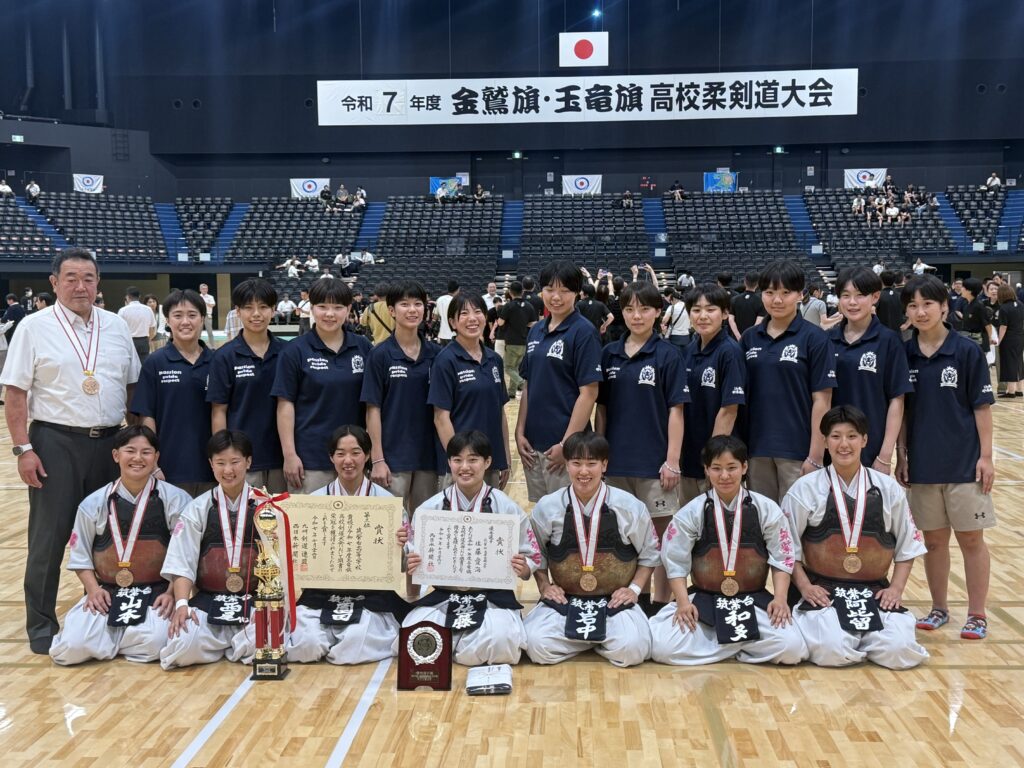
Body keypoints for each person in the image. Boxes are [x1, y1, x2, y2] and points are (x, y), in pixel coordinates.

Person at [0, 248, 141, 654]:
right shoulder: (33, 327)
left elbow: (132, 388)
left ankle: (107, 618)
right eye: (71, 278)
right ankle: (41, 626)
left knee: (111, 537)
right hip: (55, 442)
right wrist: (23, 449)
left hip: (111, 444)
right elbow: (15, 393)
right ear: (54, 282)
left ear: (98, 283)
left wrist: (136, 444)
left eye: (88, 278)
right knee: (49, 537)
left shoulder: (115, 326)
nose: (81, 286)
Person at [785, 406, 929, 669]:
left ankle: (864, 637)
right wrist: (805, 587)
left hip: (874, 590)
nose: (844, 444)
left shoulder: (888, 489)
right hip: (823, 591)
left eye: (852, 436)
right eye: (836, 436)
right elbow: (786, 549)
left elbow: (908, 546)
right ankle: (854, 638)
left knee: (900, 651)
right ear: (825, 442)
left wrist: (895, 589)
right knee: (832, 651)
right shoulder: (805, 489)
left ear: (864, 440)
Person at [895, 275, 995, 640]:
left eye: (927, 304)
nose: (920, 312)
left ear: (944, 307)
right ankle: (939, 608)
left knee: (971, 541)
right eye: (913, 305)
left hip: (965, 465)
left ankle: (977, 614)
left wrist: (986, 457)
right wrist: (902, 455)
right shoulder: (904, 354)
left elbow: (981, 407)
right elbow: (902, 411)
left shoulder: (966, 351)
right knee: (933, 542)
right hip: (923, 466)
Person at [650, 435, 806, 666]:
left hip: (752, 597)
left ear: (744, 467)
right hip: (705, 597)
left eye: (732, 467)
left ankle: (719, 645)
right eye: (716, 468)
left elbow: (782, 557)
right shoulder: (691, 512)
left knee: (792, 649)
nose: (724, 476)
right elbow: (675, 562)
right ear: (706, 470)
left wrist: (780, 599)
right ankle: (740, 646)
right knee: (662, 647)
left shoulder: (766, 509)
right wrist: (683, 603)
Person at [48, 426, 193, 665]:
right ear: (116, 455)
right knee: (70, 648)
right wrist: (93, 590)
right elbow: (80, 556)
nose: (138, 458)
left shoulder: (176, 500)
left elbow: (185, 555)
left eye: (146, 452)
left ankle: (109, 640)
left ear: (156, 457)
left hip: (156, 591)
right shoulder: (93, 503)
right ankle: (115, 637)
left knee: (155, 643)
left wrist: (171, 592)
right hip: (108, 592)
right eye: (130, 451)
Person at [404, 431, 540, 666]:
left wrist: (524, 567)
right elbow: (413, 559)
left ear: (487, 462)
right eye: (457, 460)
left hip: (492, 597)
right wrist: (412, 564)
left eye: (473, 459)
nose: (464, 467)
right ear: (449, 463)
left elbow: (532, 556)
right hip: (445, 595)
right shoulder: (429, 510)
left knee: (503, 641)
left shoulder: (506, 508)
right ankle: (467, 647)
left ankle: (456, 648)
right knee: (413, 633)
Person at [524, 432, 660, 667]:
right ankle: (599, 640)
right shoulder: (548, 507)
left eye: (591, 463)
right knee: (535, 645)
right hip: (566, 600)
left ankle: (584, 640)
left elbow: (650, 554)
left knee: (634, 649)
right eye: (576, 463)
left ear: (604, 465)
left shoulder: (629, 506)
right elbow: (537, 553)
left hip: (614, 601)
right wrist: (545, 586)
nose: (583, 471)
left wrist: (634, 589)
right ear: (566, 464)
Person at [595, 281, 688, 605]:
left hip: (654, 465)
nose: (637, 316)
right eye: (630, 309)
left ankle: (660, 605)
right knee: (624, 537)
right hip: (617, 463)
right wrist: (600, 456)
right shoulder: (609, 353)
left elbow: (676, 410)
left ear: (658, 312)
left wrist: (672, 461)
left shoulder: (668, 355)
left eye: (645, 309)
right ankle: (634, 600)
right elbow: (601, 409)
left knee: (661, 539)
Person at [287, 425, 409, 664]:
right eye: (340, 453)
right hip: (321, 593)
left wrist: (401, 544)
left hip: (371, 594)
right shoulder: (314, 502)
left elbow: (404, 560)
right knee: (306, 644)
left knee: (355, 643)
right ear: (331, 457)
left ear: (367, 455)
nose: (348, 461)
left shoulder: (387, 504)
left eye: (355, 452)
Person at [159, 430, 261, 669]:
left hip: (254, 601)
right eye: (220, 463)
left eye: (235, 462)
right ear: (211, 465)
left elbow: (281, 565)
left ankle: (228, 644)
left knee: (268, 644)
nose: (228, 470)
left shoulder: (267, 506)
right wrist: (182, 604)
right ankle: (228, 644)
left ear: (248, 462)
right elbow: (182, 561)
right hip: (209, 600)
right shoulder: (196, 509)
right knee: (181, 646)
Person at [741, 259, 835, 502]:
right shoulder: (749, 338)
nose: (777, 300)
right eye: (770, 292)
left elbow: (822, 400)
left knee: (799, 521)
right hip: (756, 449)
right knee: (763, 519)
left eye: (785, 292)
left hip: (797, 450)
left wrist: (816, 455)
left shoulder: (815, 338)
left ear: (800, 295)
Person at [361, 280, 443, 549]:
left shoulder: (437, 355)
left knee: (425, 531)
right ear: (391, 310)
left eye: (418, 304)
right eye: (405, 304)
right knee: (390, 533)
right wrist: (377, 458)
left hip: (428, 458)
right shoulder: (380, 355)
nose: (412, 310)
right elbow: (372, 409)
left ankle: (417, 579)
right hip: (393, 458)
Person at [272, 278, 371, 493]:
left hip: (354, 460)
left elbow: (373, 404)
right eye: (323, 307)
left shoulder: (363, 347)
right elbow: (285, 405)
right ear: (312, 308)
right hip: (310, 459)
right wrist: (289, 455)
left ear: (348, 309)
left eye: (338, 307)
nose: (330, 314)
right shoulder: (294, 351)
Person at [515, 261, 603, 502]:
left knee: (568, 515)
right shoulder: (536, 331)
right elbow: (529, 385)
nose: (556, 297)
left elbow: (589, 393)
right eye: (550, 290)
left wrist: (566, 445)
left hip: (565, 448)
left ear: (577, 293)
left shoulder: (584, 332)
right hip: (533, 446)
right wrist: (519, 432)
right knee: (542, 514)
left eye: (564, 291)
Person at [131, 290, 215, 497]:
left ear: (202, 319)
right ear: (167, 320)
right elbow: (147, 416)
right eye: (178, 315)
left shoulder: (217, 361)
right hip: (169, 469)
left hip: (214, 469)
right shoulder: (155, 362)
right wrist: (153, 464)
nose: (185, 322)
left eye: (192, 315)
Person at [828, 267, 913, 470]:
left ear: (875, 297)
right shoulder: (826, 340)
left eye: (860, 295)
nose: (852, 302)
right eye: (846, 296)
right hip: (830, 449)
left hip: (872, 451)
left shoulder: (889, 341)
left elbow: (897, 400)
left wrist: (885, 455)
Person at [207, 278, 286, 494]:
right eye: (248, 308)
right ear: (238, 311)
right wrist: (225, 457)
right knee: (245, 515)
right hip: (242, 460)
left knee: (281, 514)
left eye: (263, 307)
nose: (256, 314)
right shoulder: (224, 356)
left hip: (282, 458)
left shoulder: (288, 352)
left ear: (273, 310)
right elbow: (218, 410)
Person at [428, 294, 511, 489]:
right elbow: (441, 418)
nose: (472, 318)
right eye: (464, 313)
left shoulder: (494, 360)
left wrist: (505, 455)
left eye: (478, 312)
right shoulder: (445, 360)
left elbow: (499, 412)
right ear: (452, 322)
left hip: (489, 460)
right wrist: (459, 462)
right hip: (461, 467)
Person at [680, 285, 747, 505]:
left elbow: (729, 410)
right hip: (689, 456)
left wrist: (713, 460)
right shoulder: (689, 350)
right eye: (696, 310)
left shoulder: (730, 351)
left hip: (716, 461)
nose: (702, 316)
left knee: (717, 518)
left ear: (725, 313)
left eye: (710, 309)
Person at [495, 281, 537, 396]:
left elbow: (501, 322)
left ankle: (522, 383)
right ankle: (511, 392)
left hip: (512, 341)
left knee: (508, 367)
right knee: (516, 367)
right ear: (522, 291)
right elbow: (534, 323)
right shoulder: (529, 305)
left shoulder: (509, 306)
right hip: (524, 341)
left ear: (510, 292)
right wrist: (523, 324)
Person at [995, 283, 1024, 397]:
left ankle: (1011, 391)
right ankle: (1019, 389)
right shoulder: (1020, 304)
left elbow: (1003, 327)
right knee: (1019, 362)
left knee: (1009, 363)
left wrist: (999, 340)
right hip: (1020, 337)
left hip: (1009, 338)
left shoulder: (1004, 308)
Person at [118, 286, 157, 363]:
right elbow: (152, 328)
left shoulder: (123, 310)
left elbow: (119, 329)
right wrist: (148, 339)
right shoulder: (148, 309)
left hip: (129, 340)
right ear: (139, 296)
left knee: (130, 363)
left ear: (128, 297)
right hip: (144, 340)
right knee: (144, 363)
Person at [728, 271, 763, 339]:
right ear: (758, 284)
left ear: (744, 282)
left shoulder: (734, 299)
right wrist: (748, 336)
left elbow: (731, 320)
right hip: (752, 338)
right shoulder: (761, 300)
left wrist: (738, 336)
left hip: (736, 338)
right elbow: (758, 322)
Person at [433, 280, 459, 345]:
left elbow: (435, 317)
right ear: (458, 290)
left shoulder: (439, 299)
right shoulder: (456, 301)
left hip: (442, 334)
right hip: (454, 334)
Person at [198, 283, 216, 347]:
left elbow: (212, 305)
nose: (204, 290)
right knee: (198, 332)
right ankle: (197, 345)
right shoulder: (198, 297)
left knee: (210, 332)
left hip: (208, 315)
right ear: (200, 289)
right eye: (203, 289)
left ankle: (212, 346)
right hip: (200, 316)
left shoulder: (210, 297)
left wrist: (205, 302)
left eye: (206, 289)